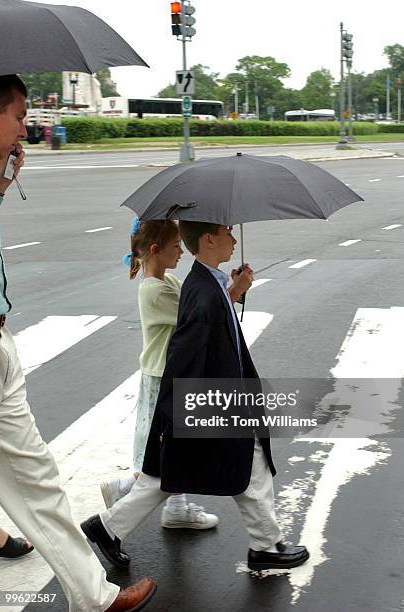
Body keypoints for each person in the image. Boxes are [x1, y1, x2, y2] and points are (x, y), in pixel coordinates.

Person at [0, 74, 156, 611]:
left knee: (36, 477)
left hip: (0, 340)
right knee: (34, 477)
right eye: (19, 115)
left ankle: (92, 596)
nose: (27, 126)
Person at [82, 221, 310, 572]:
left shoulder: (205, 283)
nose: (234, 240)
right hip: (210, 398)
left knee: (178, 472)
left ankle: (109, 527)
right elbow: (186, 356)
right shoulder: (202, 292)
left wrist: (237, 289)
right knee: (239, 462)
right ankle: (265, 545)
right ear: (208, 239)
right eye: (227, 233)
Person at [100, 218, 251, 531]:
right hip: (161, 378)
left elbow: (205, 300)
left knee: (173, 448)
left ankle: (171, 506)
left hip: (170, 373)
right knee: (169, 447)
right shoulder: (153, 291)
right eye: (175, 247)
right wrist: (236, 289)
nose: (181, 252)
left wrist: (228, 285)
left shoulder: (168, 283)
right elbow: (202, 313)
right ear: (156, 249)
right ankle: (126, 489)